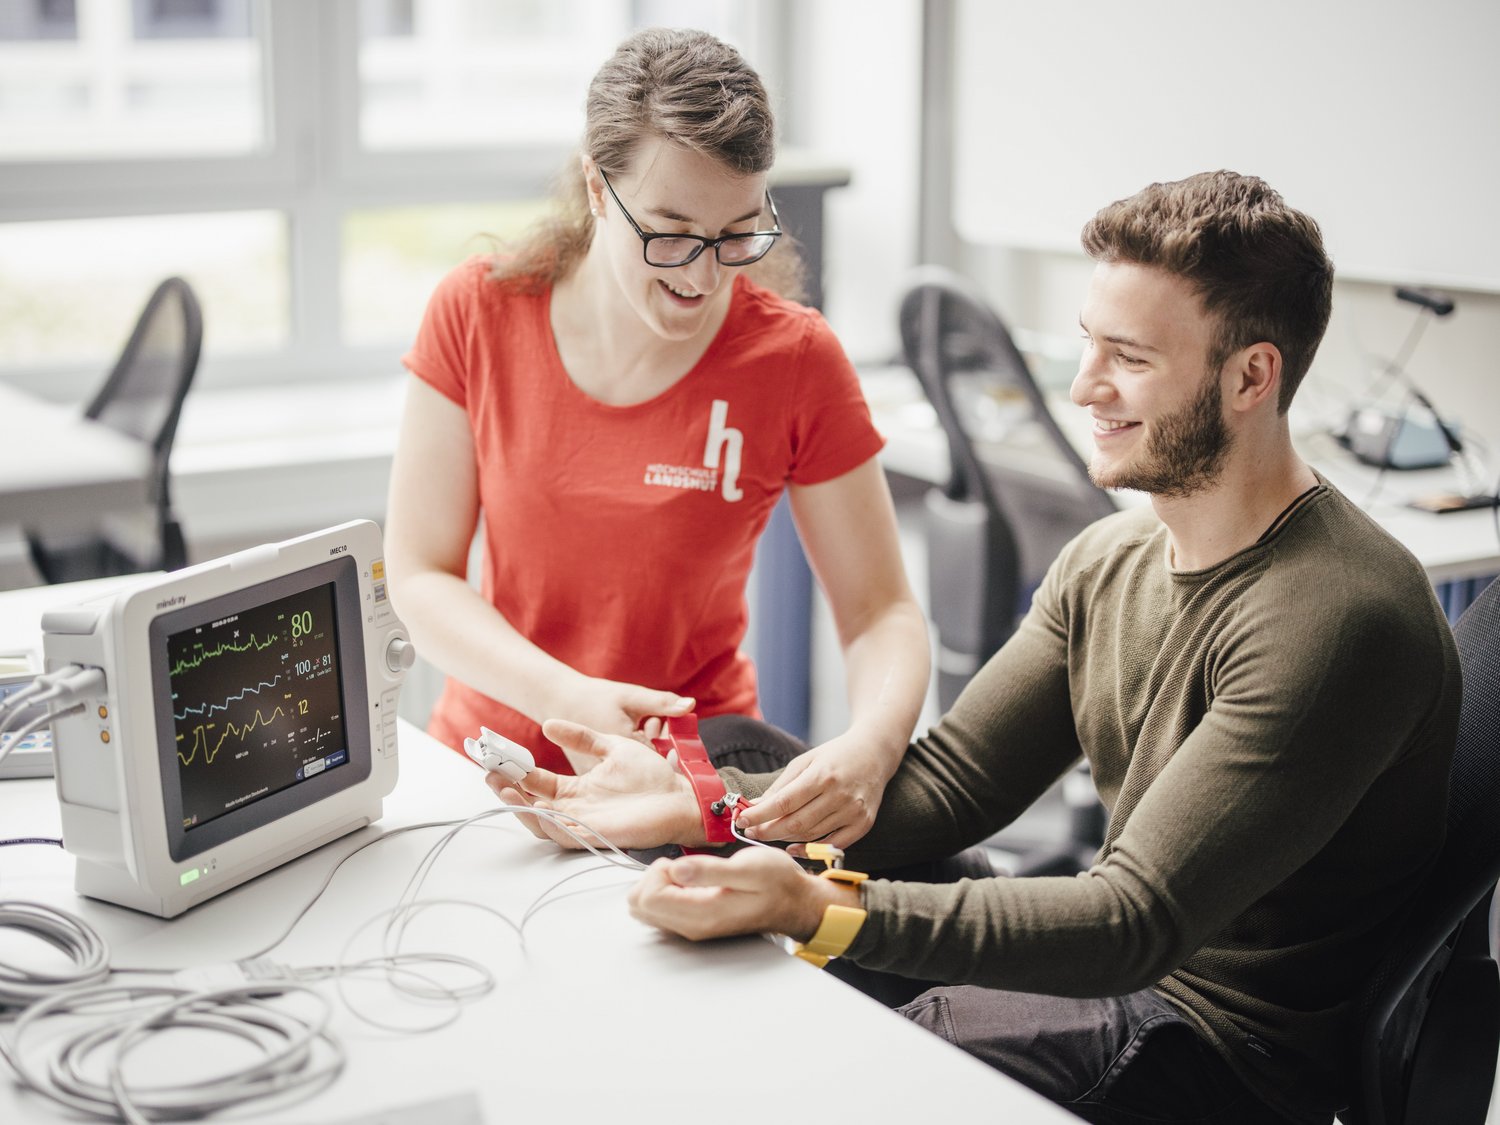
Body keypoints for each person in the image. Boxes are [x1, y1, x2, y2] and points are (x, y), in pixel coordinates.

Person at [485, 171, 1463, 1124]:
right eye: (1088, 345)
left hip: (1222, 1046)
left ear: (1251, 375)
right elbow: (949, 790)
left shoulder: (1340, 617)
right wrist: (712, 809)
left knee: (898, 1051)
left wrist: (805, 905)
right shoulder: (1110, 560)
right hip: (1120, 966)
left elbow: (1130, 924)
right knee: (742, 751)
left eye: (1130, 357)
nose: (1084, 387)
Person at [384, 28, 930, 848]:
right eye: (670, 231)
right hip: (488, 774)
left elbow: (880, 607)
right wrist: (566, 697)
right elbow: (421, 575)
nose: (703, 276)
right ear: (599, 190)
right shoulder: (477, 313)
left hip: (686, 786)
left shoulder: (794, 358)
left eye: (738, 232)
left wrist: (872, 747)